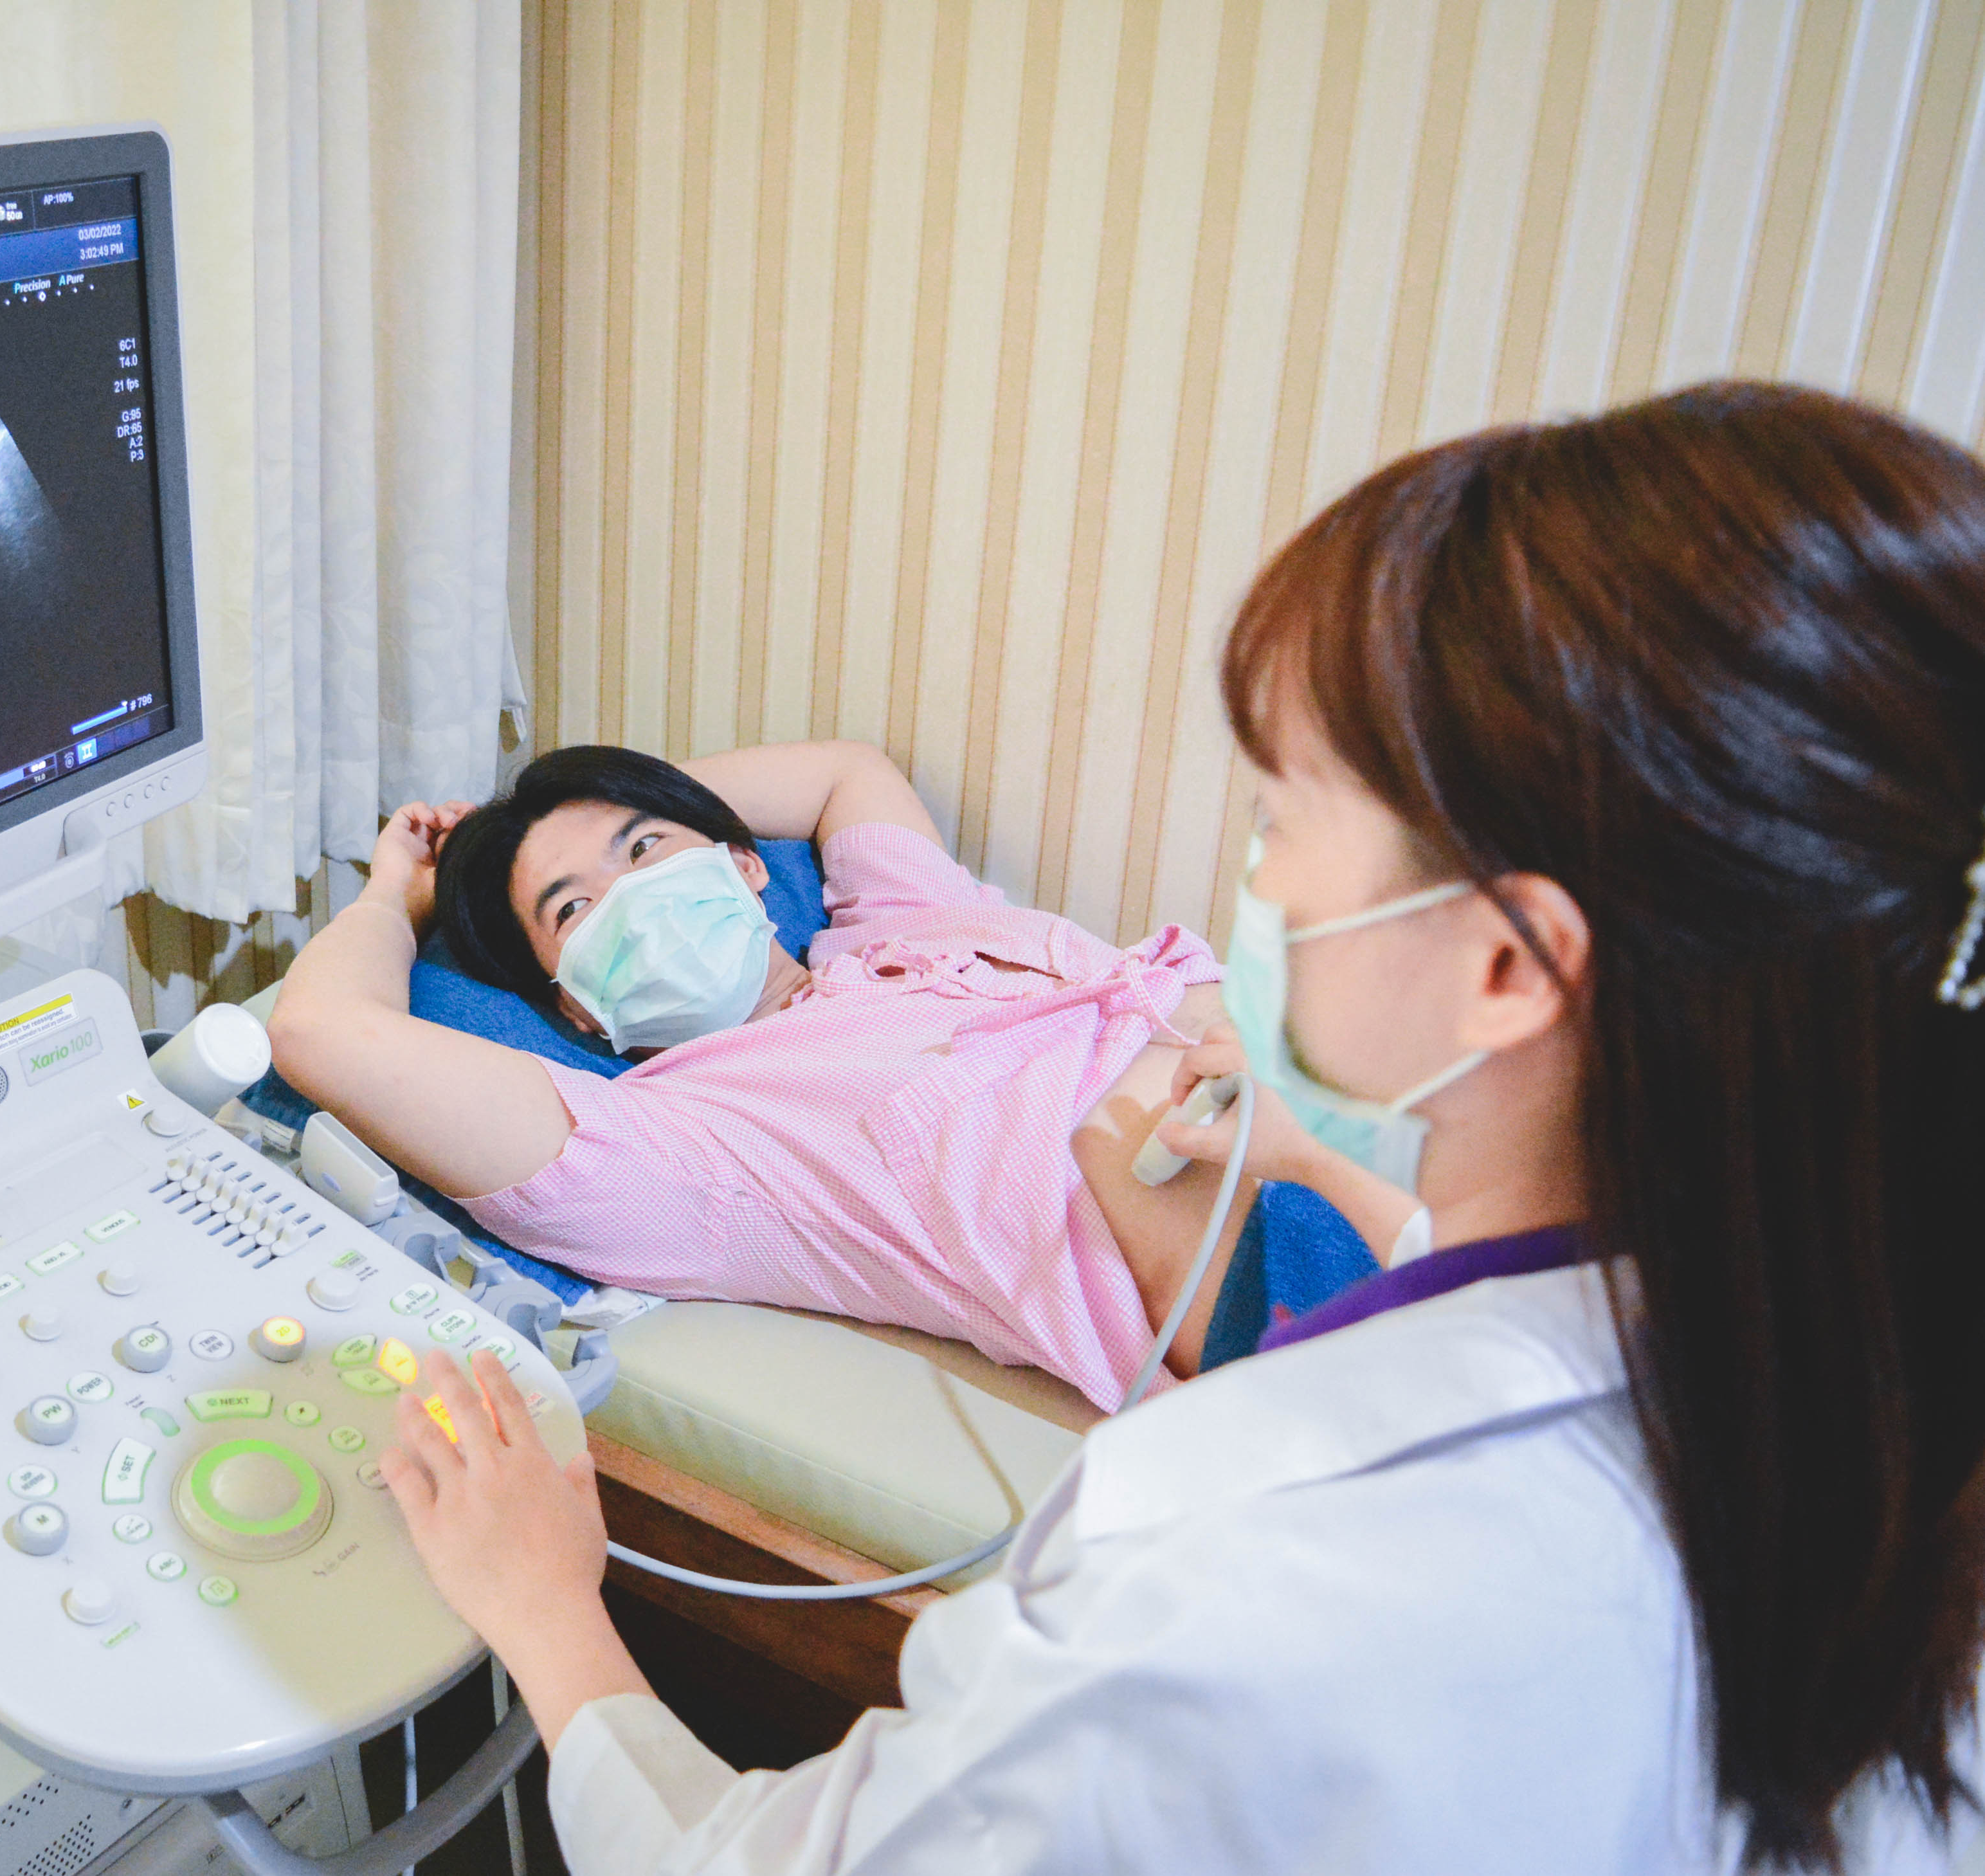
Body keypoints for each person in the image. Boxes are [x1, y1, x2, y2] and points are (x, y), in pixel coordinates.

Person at [376, 382, 1985, 1872]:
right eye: (576, 903)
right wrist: (1315, 1158)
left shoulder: (1227, 1561)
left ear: (1507, 969)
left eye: (1282, 819)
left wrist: (544, 1607)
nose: (1253, 884)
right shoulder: (1840, 1349)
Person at [268, 740, 1413, 1408]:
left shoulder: (900, 922)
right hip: (1309, 1276)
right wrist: (400, 895)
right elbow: (320, 1030)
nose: (631, 898)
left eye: (645, 849)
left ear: (742, 865)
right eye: (574, 909)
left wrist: (559, 804)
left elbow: (843, 771)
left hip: (1398, 1115)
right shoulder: (682, 1146)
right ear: (573, 1005)